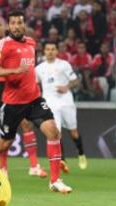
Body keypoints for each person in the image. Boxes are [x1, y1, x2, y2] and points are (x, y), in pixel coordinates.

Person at [0, 10, 72, 193]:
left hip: (34, 99)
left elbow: (30, 70)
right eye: (13, 23)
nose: (16, 26)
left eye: (19, 22)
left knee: (53, 131)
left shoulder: (31, 43)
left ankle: (54, 181)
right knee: (4, 143)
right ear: (9, 26)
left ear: (24, 25)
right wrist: (14, 71)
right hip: (13, 103)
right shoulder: (4, 45)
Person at [0, 18, 46, 178]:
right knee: (7, 133)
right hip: (2, 89)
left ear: (6, 27)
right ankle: (3, 168)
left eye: (0, 24)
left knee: (27, 125)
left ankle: (34, 166)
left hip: (21, 88)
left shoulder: (20, 42)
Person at [36, 42, 88, 170]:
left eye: (53, 49)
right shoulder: (38, 69)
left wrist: (67, 87)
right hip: (50, 103)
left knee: (73, 132)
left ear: (57, 51)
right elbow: (34, 85)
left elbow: (76, 81)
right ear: (44, 51)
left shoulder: (64, 65)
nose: (50, 52)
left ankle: (81, 153)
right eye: (47, 49)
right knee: (56, 131)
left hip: (66, 102)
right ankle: (62, 160)